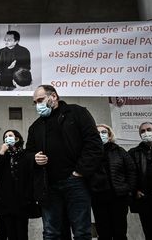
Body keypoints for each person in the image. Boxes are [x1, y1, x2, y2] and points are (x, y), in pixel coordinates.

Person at [25, 85, 103, 240]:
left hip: (76, 182)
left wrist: (79, 172)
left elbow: (94, 144)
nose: (38, 105)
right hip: (49, 186)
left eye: (40, 100)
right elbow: (28, 153)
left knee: (81, 232)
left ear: (53, 96)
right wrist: (34, 158)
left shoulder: (77, 112)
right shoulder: (35, 127)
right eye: (35, 102)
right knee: (51, 233)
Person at [92, 124, 136, 240]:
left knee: (120, 233)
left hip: (119, 198)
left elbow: (131, 171)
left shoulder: (120, 151)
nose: (101, 135)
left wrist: (128, 190)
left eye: (104, 132)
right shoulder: (89, 152)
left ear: (110, 135)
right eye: (97, 132)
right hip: (98, 198)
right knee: (103, 233)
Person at [0, 129, 34, 240]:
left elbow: (30, 175)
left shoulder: (25, 154)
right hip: (6, 202)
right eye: (6, 136)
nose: (8, 138)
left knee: (21, 233)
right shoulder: (4, 155)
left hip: (22, 201)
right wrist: (1, 153)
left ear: (17, 138)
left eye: (10, 135)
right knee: (10, 233)